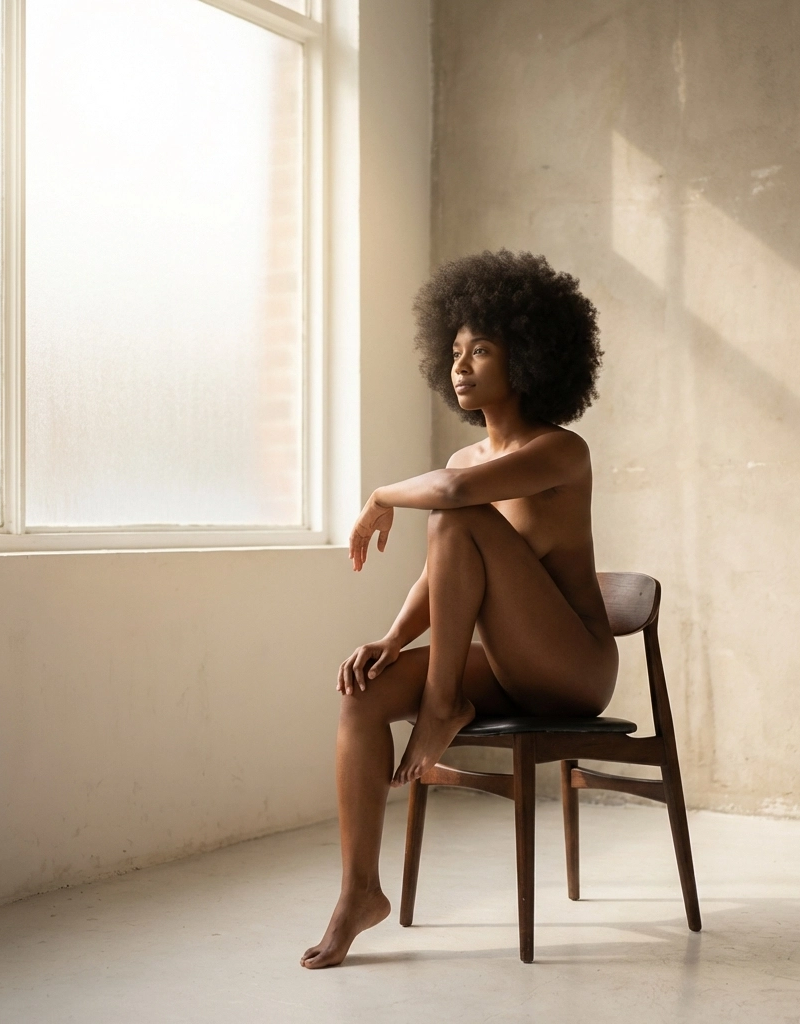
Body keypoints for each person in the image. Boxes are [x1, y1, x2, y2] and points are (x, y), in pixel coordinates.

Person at [301, 249, 618, 968]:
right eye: (455, 350)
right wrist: (389, 639)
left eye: (482, 349)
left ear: (531, 357)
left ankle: (442, 705)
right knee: (365, 693)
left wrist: (381, 496)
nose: (461, 365)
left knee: (454, 512)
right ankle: (359, 893)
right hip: (506, 665)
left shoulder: (561, 452)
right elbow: (436, 576)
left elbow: (448, 507)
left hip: (574, 668)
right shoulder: (467, 464)